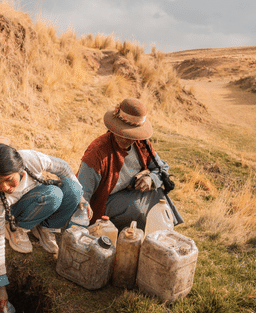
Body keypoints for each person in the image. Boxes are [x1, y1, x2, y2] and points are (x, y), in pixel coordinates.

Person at [0, 137, 85, 312]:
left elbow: (62, 167)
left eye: (9, 179)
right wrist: (0, 288)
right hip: (18, 211)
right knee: (52, 194)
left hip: (40, 198)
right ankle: (16, 228)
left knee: (73, 190)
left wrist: (82, 196)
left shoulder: (31, 159)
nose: (5, 187)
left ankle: (46, 227)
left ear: (19, 168)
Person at [77, 97, 184, 231]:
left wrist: (151, 179)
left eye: (131, 135)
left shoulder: (141, 143)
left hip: (128, 193)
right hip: (103, 202)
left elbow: (161, 168)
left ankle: (161, 235)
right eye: (122, 132)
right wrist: (79, 227)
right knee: (136, 208)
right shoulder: (97, 152)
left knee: (158, 196)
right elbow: (82, 193)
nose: (126, 138)